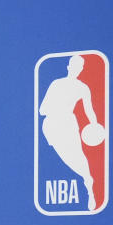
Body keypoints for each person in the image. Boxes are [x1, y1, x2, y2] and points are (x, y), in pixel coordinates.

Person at [39, 54, 101, 211]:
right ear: (69, 67)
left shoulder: (82, 88)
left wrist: (94, 124)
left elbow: (89, 110)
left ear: (81, 70)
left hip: (68, 124)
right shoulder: (56, 84)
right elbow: (42, 109)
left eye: (79, 67)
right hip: (51, 126)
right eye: (74, 66)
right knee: (66, 157)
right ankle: (88, 178)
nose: (77, 69)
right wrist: (56, 107)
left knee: (78, 154)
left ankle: (89, 184)